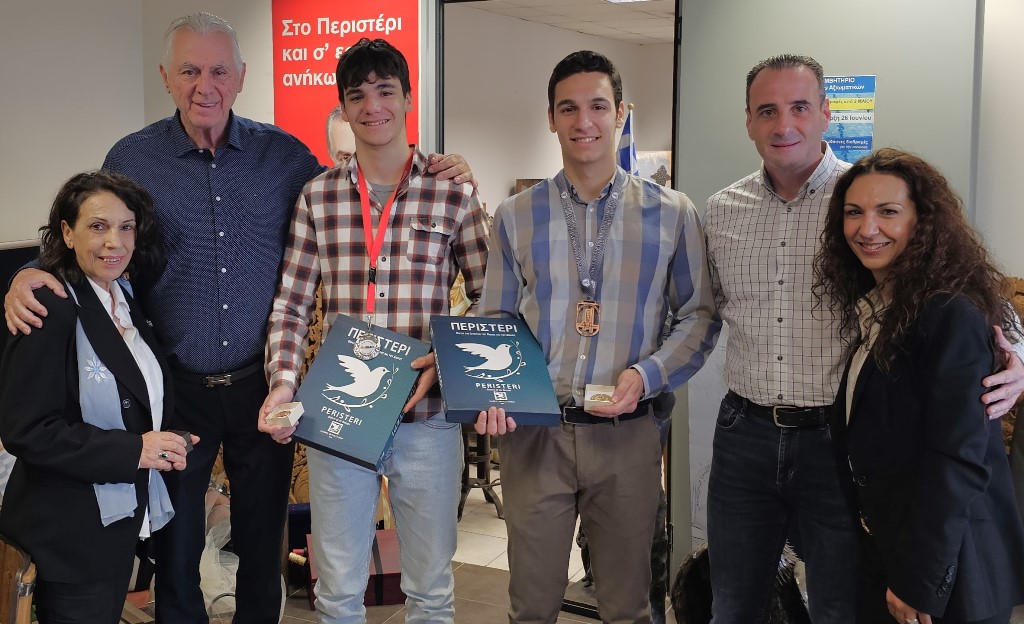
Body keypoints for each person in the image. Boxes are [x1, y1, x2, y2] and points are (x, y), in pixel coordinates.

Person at [3, 13, 477, 623]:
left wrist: (445, 166)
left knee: (261, 544)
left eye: (219, 71)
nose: (206, 86)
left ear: (242, 76)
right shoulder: (134, 156)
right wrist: (28, 272)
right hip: (174, 387)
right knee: (176, 548)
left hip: (260, 382)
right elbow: (96, 227)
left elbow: (360, 193)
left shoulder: (285, 158)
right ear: (166, 77)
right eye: (190, 71)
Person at [703, 53, 1024, 623]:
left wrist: (1016, 357)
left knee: (840, 607)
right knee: (732, 604)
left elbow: (972, 298)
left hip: (836, 442)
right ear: (748, 120)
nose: (784, 124)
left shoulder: (863, 198)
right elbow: (705, 312)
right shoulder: (721, 211)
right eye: (767, 110)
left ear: (826, 112)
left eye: (800, 107)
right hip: (743, 433)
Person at [474, 50, 720, 624]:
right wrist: (492, 393)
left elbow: (700, 315)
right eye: (568, 108)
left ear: (621, 113)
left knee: (627, 607)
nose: (583, 121)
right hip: (535, 435)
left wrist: (647, 374)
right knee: (531, 607)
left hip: (627, 435)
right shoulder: (515, 215)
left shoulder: (673, 213)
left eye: (598, 106)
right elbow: (496, 322)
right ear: (550, 118)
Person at [259, 37, 490, 623]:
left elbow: (492, 300)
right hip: (341, 418)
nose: (372, 106)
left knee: (431, 590)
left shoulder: (453, 191)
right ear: (342, 107)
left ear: (408, 98)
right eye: (357, 96)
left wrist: (446, 357)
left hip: (427, 419)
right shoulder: (318, 196)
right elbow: (291, 305)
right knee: (337, 592)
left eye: (385, 91)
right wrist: (282, 383)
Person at [813, 148, 1024, 624]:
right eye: (854, 212)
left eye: (888, 212)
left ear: (923, 221)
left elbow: (957, 459)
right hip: (892, 548)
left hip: (948, 569)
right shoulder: (880, 307)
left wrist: (919, 580)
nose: (867, 228)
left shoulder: (950, 314)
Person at [0, 171, 197, 623]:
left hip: (113, 529)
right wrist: (136, 450)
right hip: (69, 536)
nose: (115, 242)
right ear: (67, 232)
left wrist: (168, 438)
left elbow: (135, 392)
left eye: (126, 227)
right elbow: (27, 431)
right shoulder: (47, 305)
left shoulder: (121, 293)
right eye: (97, 226)